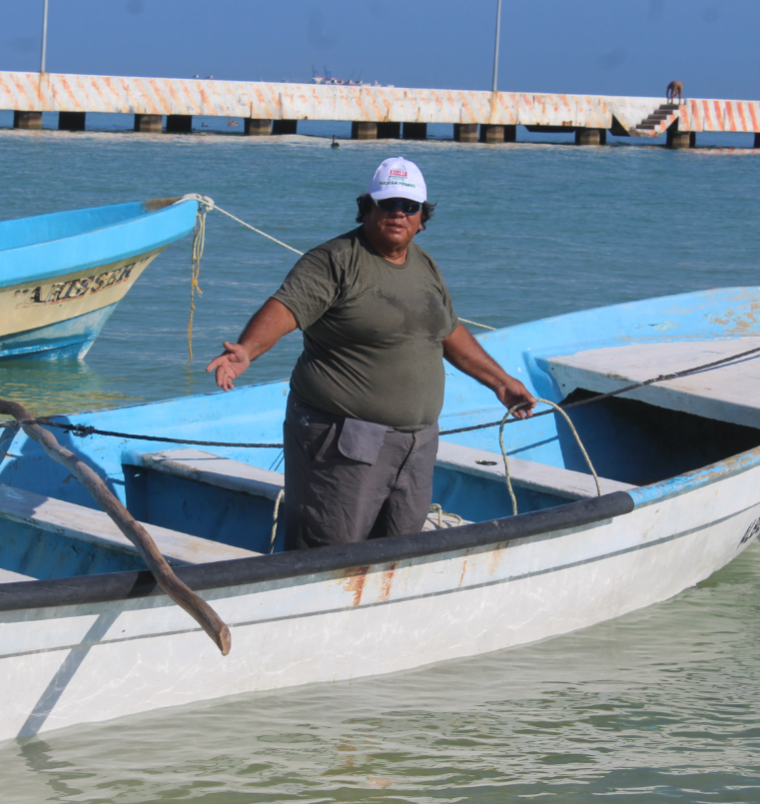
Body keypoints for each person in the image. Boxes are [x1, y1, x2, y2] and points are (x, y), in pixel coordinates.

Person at [206, 157, 535, 550]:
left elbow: (447, 331)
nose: (399, 213)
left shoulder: (425, 265)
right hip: (344, 439)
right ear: (367, 208)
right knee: (328, 554)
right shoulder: (335, 260)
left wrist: (501, 382)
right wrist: (247, 349)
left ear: (422, 218)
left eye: (409, 206)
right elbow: (286, 309)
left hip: (417, 444)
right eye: (388, 203)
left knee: (399, 553)